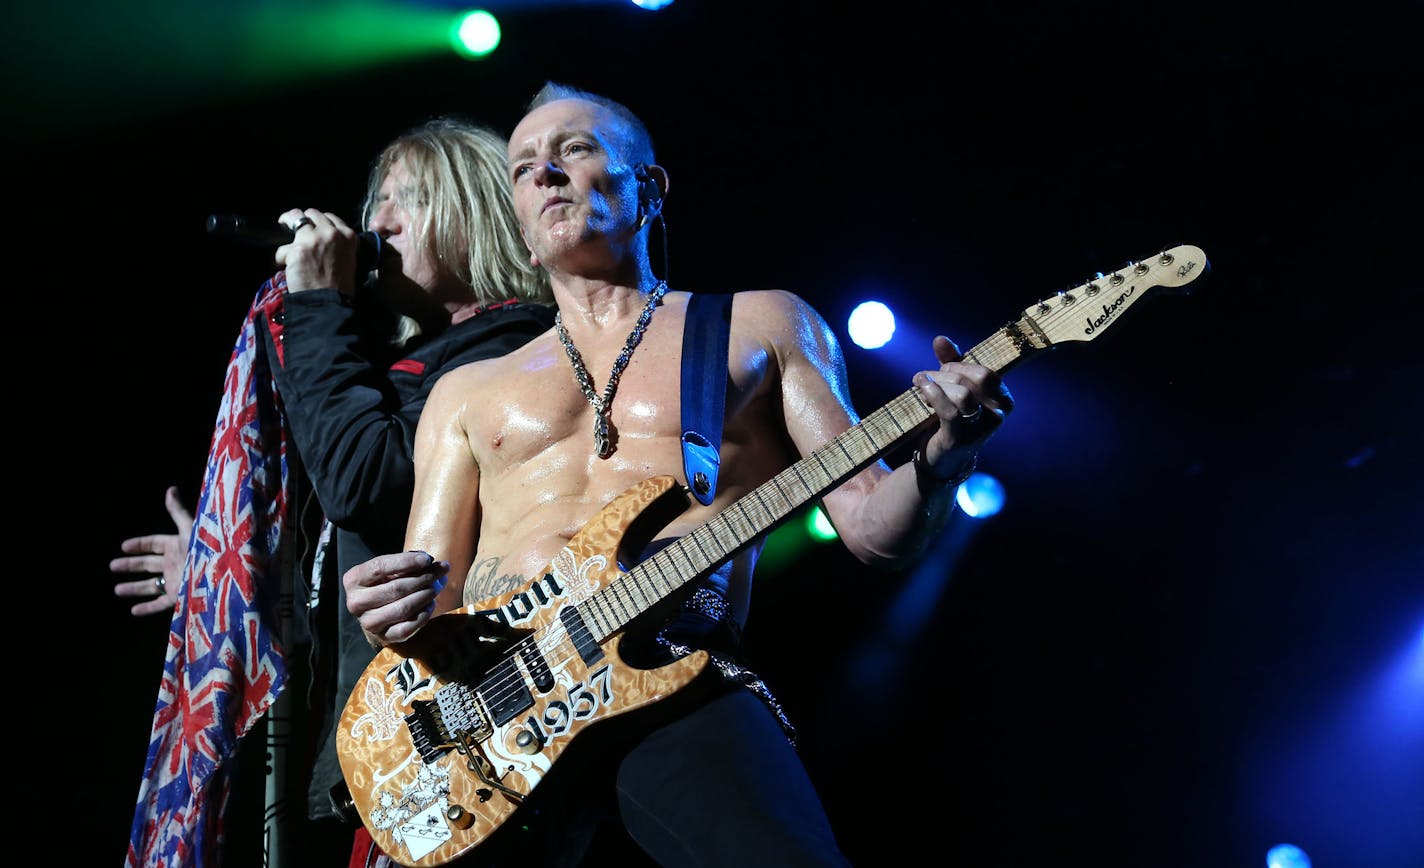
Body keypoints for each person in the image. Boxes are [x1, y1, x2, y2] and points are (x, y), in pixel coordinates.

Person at [339, 82, 1013, 867]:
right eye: (524, 168)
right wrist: (387, 610)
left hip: (673, 671)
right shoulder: (464, 391)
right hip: (487, 723)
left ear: (650, 187)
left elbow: (871, 530)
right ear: (520, 229)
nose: (547, 174)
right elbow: (428, 597)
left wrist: (943, 457)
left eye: (576, 150)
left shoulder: (761, 324)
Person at [113, 116, 555, 868]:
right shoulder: (407, 366)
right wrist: (229, 582)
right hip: (390, 744)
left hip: (487, 731)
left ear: (474, 211)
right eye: (374, 201)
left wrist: (317, 306)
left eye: (404, 199)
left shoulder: (519, 352)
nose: (374, 223)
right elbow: (353, 548)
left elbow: (368, 483)